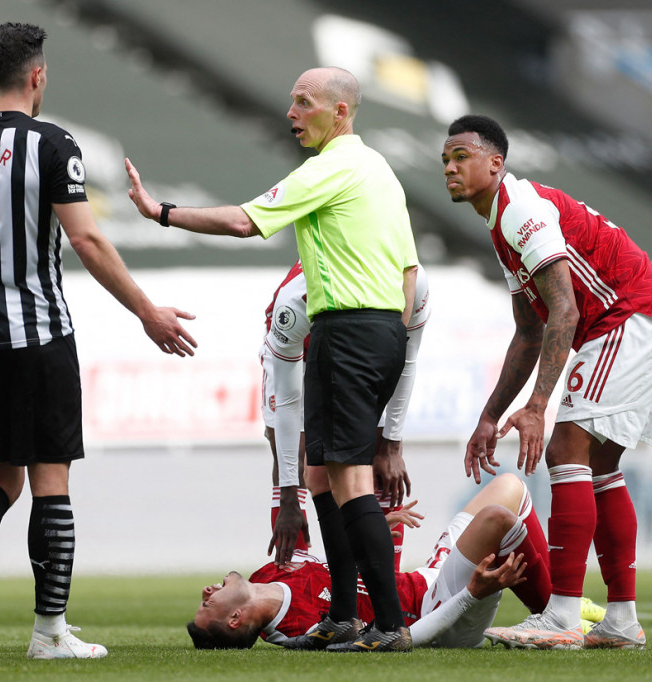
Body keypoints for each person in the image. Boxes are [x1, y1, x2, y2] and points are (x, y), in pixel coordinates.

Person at [0, 22, 196, 661]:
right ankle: (49, 632)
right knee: (50, 479)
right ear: (37, 76)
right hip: (40, 335)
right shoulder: (53, 143)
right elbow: (86, 240)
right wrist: (146, 312)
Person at [127, 67, 419, 651]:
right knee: (321, 478)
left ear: (340, 113)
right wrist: (389, 339)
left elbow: (243, 221)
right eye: (290, 101)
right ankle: (341, 614)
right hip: (382, 329)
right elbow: (410, 271)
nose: (291, 113)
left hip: (348, 329)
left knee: (350, 481)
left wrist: (160, 211)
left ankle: (387, 627)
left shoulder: (331, 168)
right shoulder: (378, 170)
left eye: (304, 103)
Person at [441, 115, 652, 650]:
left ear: (495, 163)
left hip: (631, 317)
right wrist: (490, 415)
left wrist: (536, 405)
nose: (450, 167)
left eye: (461, 156)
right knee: (598, 465)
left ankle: (561, 615)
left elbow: (564, 310)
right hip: (646, 318)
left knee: (565, 448)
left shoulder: (521, 211)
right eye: (445, 159)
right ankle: (621, 622)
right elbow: (529, 332)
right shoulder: (502, 223)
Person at [187, 473, 567, 650]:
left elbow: (338, 568)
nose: (206, 591)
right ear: (235, 620)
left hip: (425, 579)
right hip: (439, 613)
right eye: (208, 603)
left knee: (511, 486)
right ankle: (560, 621)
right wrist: (471, 595)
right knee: (497, 518)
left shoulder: (266, 574)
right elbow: (398, 639)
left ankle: (556, 611)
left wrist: (371, 531)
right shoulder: (299, 632)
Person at [262, 261, 431, 570]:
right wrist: (289, 496)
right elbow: (286, 401)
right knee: (302, 464)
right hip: (299, 355)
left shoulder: (411, 280)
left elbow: (405, 360)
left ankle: (382, 593)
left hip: (368, 351)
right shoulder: (296, 302)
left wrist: (391, 445)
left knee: (380, 461)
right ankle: (295, 578)